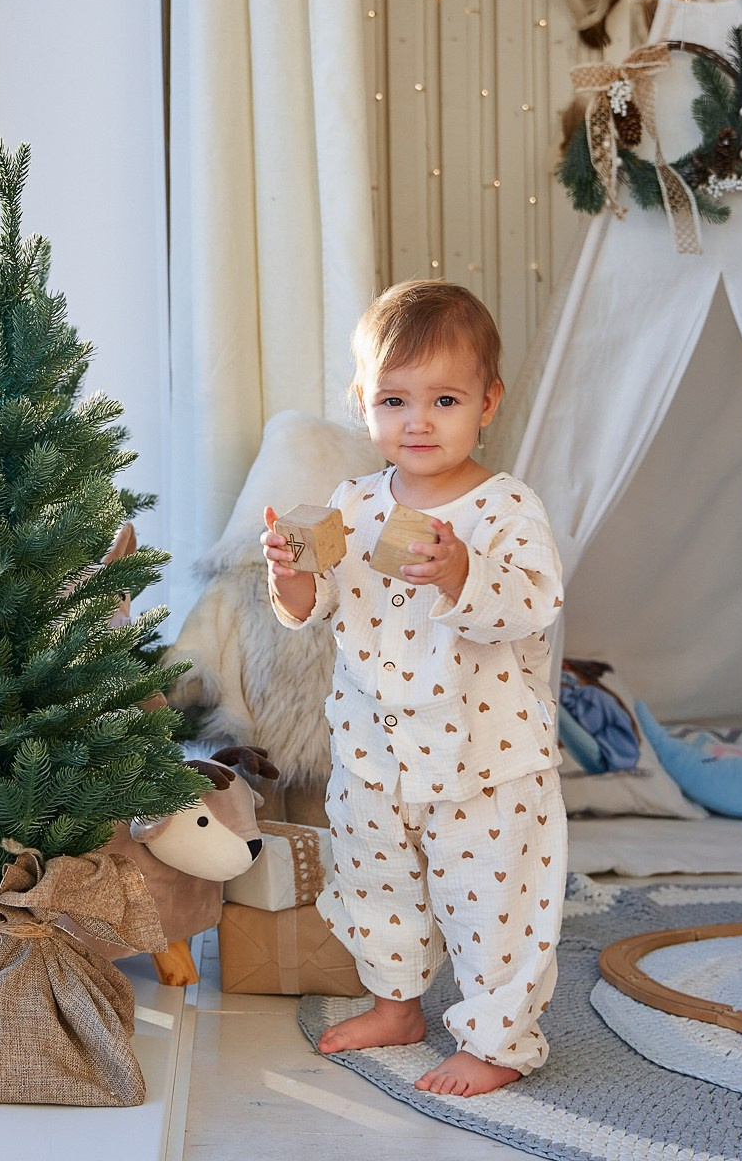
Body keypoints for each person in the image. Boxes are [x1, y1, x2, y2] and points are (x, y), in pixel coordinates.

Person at [261, 279, 566, 1097]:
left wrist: (464, 570)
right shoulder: (353, 506)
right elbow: (310, 609)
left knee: (492, 897)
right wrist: (290, 572)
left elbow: (534, 603)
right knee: (374, 880)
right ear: (364, 404)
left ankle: (499, 1038)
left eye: (443, 399)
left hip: (483, 756)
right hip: (375, 752)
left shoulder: (505, 508)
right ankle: (396, 1004)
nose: (418, 421)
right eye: (395, 399)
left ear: (487, 403)